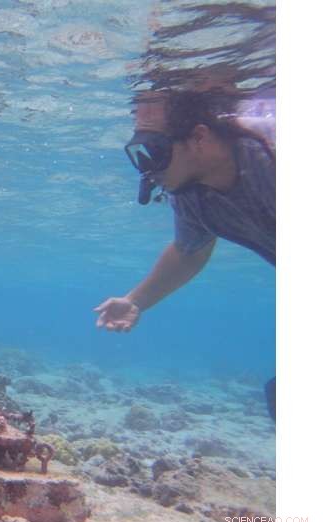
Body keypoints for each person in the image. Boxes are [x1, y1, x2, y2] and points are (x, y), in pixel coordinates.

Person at [93, 89, 276, 420]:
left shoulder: (271, 155)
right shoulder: (192, 195)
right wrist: (135, 300)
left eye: (155, 150)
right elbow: (189, 252)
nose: (147, 170)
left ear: (199, 138)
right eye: (139, 152)